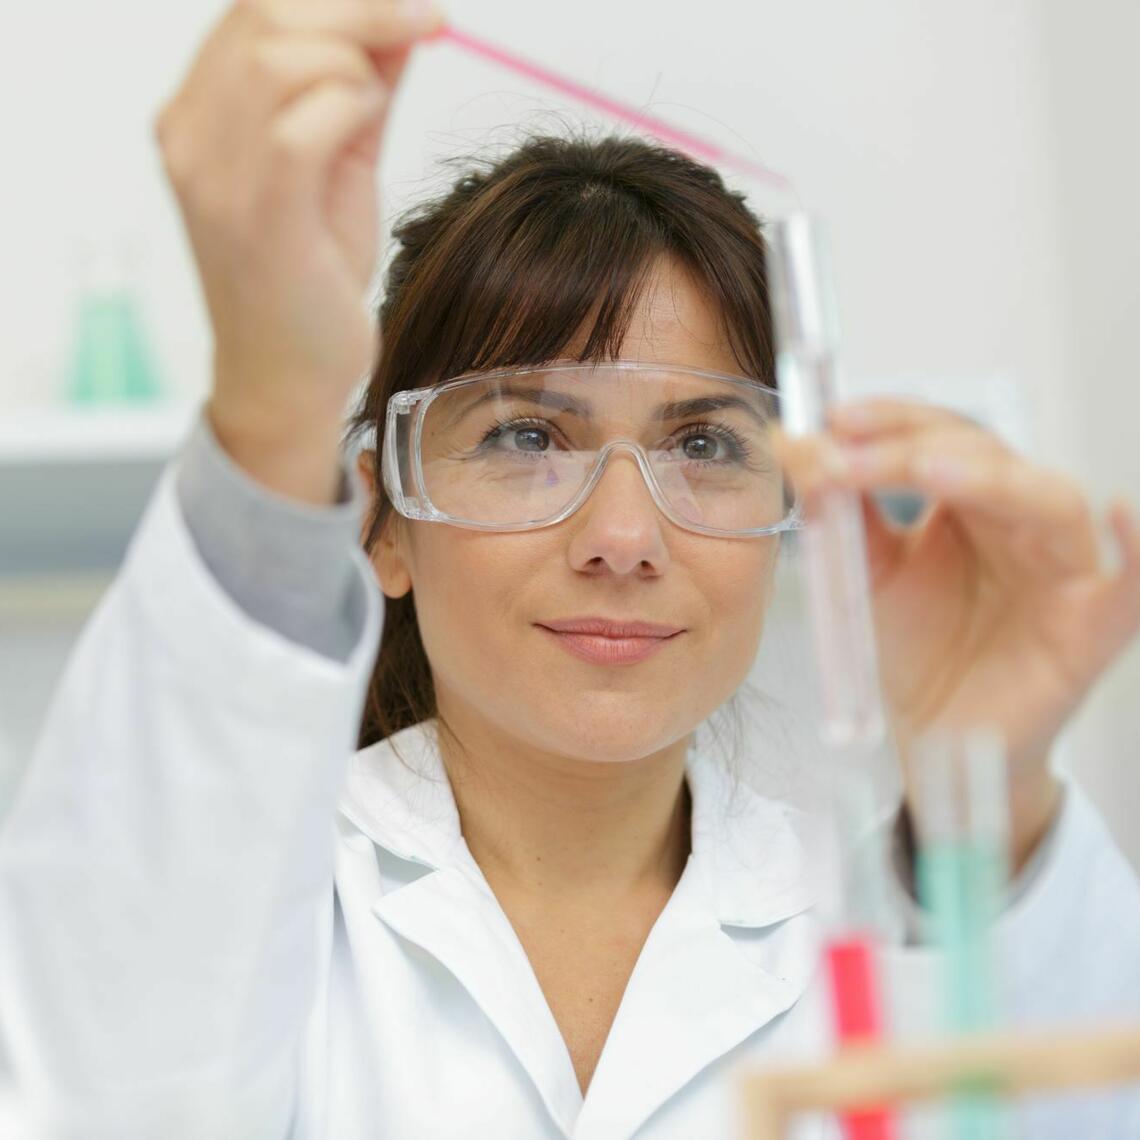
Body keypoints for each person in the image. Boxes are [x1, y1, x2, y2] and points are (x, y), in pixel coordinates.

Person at [3, 2, 1140, 1137]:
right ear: (381, 524)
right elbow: (99, 1094)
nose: (626, 538)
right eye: (527, 437)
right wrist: (269, 397)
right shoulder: (236, 901)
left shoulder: (898, 924)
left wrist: (985, 809)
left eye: (705, 444)